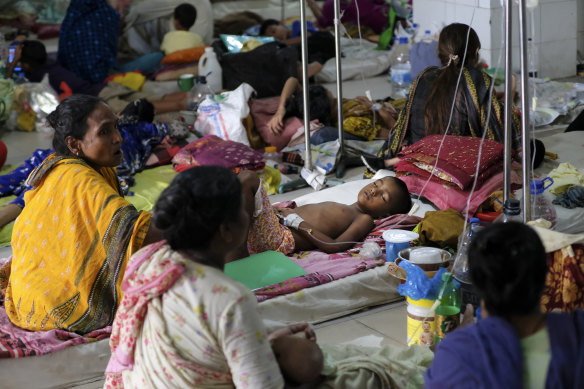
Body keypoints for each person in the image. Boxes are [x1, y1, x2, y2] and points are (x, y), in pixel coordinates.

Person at [104, 165, 323, 388]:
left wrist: (265, 338)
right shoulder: (231, 298)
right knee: (310, 360)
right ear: (226, 230)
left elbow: (196, 333)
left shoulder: (149, 261)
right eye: (241, 210)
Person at [3, 95, 163, 334]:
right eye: (104, 132)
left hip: (30, 289)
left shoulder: (67, 164)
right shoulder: (80, 179)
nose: (118, 138)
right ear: (75, 144)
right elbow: (130, 231)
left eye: (115, 128)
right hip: (51, 304)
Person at [425, 222, 584, 388]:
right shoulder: (577, 338)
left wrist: (456, 342)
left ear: (477, 283)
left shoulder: (456, 356)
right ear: (546, 276)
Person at [371, 23, 522, 171]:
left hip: (417, 155)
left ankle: (399, 160)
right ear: (476, 52)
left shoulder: (425, 76)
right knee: (532, 145)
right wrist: (511, 97)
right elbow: (496, 126)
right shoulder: (477, 79)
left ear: (439, 51)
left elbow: (405, 122)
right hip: (455, 162)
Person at [235, 170, 412, 257]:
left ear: (384, 215)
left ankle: (238, 251)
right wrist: (277, 212)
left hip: (280, 237)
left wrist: (296, 221)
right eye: (376, 184)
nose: (374, 191)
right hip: (273, 226)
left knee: (248, 178)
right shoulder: (343, 206)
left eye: (383, 196)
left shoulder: (364, 219)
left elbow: (334, 246)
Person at [267, 77, 397, 144]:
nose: (338, 100)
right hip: (401, 116)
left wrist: (281, 109)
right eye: (334, 102)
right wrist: (377, 109)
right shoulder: (351, 123)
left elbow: (293, 81)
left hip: (392, 104)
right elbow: (395, 134)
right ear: (327, 114)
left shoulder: (321, 104)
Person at [6, 39, 105, 96]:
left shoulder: (38, 77)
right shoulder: (49, 63)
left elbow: (8, 85)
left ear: (27, 65)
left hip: (97, 96)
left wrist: (13, 63)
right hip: (97, 89)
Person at [58, 0, 121, 84]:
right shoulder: (108, 14)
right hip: (101, 79)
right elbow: (110, 53)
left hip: (71, 78)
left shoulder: (74, 10)